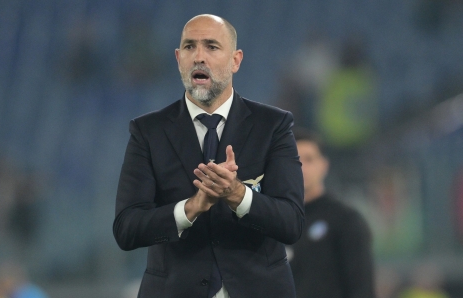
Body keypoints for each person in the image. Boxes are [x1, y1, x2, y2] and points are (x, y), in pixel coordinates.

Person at [113, 14, 304, 298]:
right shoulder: (147, 131)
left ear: (235, 60)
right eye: (190, 47)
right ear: (178, 59)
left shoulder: (272, 126)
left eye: (212, 47)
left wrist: (237, 194)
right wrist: (191, 208)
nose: (198, 56)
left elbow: (291, 223)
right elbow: (127, 229)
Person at [287, 128, 375, 298]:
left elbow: (362, 288)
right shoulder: (271, 221)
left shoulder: (345, 221)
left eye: (309, 159)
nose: (302, 168)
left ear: (324, 165)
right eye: (294, 160)